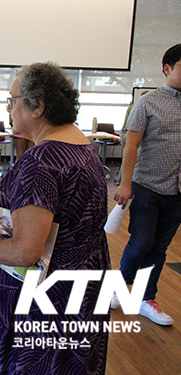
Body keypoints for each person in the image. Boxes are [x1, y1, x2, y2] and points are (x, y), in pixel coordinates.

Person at [0, 62, 110, 374]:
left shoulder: (41, 162)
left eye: (13, 102)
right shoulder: (82, 147)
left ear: (37, 106)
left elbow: (25, 252)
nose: (9, 109)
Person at [112, 44, 181, 326]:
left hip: (178, 192)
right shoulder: (147, 102)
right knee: (141, 243)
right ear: (168, 68)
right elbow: (131, 145)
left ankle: (144, 298)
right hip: (146, 186)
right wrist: (125, 183)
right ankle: (119, 287)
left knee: (159, 248)